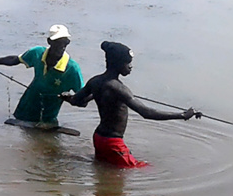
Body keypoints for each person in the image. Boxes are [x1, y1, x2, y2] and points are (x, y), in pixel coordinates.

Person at [60, 41, 201, 168]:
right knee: (144, 170)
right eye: (128, 63)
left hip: (99, 138)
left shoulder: (95, 82)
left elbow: (78, 101)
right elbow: (146, 113)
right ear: (118, 64)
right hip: (113, 142)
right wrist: (182, 115)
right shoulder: (119, 88)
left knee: (105, 169)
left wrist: (68, 98)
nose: (131, 66)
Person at [0, 24, 84, 125]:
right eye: (58, 42)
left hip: (46, 119)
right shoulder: (37, 53)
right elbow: (15, 60)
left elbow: (83, 101)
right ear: (49, 41)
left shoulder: (72, 69)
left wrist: (70, 99)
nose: (62, 46)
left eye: (65, 42)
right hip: (23, 111)